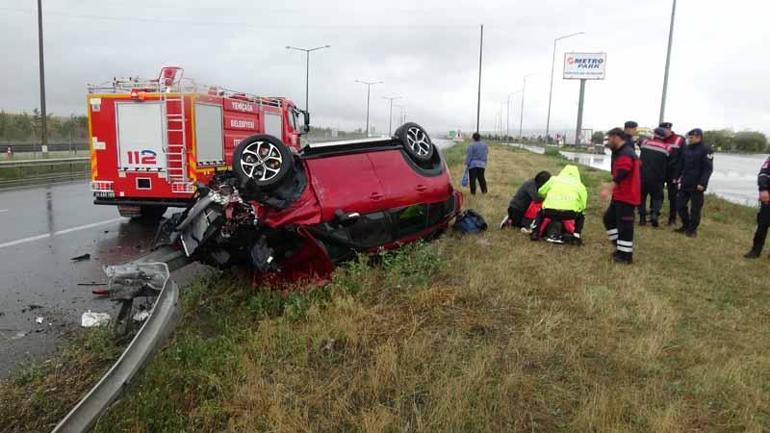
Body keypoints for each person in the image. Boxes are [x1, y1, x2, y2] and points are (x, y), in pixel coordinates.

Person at [602, 127, 641, 264]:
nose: (608, 141)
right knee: (609, 219)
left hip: (627, 195)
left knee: (625, 226)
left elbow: (623, 172)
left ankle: (625, 256)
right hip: (620, 194)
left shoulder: (625, 153)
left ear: (617, 137)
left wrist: (609, 187)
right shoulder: (621, 152)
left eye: (610, 138)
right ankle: (619, 247)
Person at [531, 165, 587, 243]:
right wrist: (576, 207)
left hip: (549, 211)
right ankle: (576, 235)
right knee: (582, 215)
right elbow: (583, 204)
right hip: (569, 214)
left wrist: (547, 196)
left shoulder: (553, 179)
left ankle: (535, 232)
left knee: (540, 213)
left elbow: (541, 191)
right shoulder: (580, 185)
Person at [675, 128, 713, 237]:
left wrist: (703, 183)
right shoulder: (687, 148)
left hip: (697, 184)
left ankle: (692, 229)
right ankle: (686, 225)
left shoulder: (706, 149)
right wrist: (676, 177)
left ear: (698, 137)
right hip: (685, 181)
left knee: (695, 208)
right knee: (680, 205)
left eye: (691, 138)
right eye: (688, 138)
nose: (689, 140)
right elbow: (681, 164)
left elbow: (708, 168)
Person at [638, 127, 673, 227]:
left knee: (641, 197)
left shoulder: (645, 143)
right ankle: (654, 215)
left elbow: (639, 142)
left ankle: (642, 219)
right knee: (657, 198)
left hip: (643, 176)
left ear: (654, 134)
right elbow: (669, 162)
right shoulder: (667, 148)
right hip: (658, 178)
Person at [660, 122, 686, 225]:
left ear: (670, 129)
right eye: (663, 130)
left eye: (667, 129)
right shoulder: (658, 138)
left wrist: (681, 173)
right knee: (657, 193)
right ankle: (654, 214)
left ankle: (672, 218)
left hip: (674, 172)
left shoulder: (679, 139)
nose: (666, 132)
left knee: (673, 196)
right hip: (660, 170)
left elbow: (684, 157)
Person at [744, 155, 770, 258]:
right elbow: (763, 174)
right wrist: (763, 189)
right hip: (768, 197)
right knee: (762, 224)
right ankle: (755, 250)